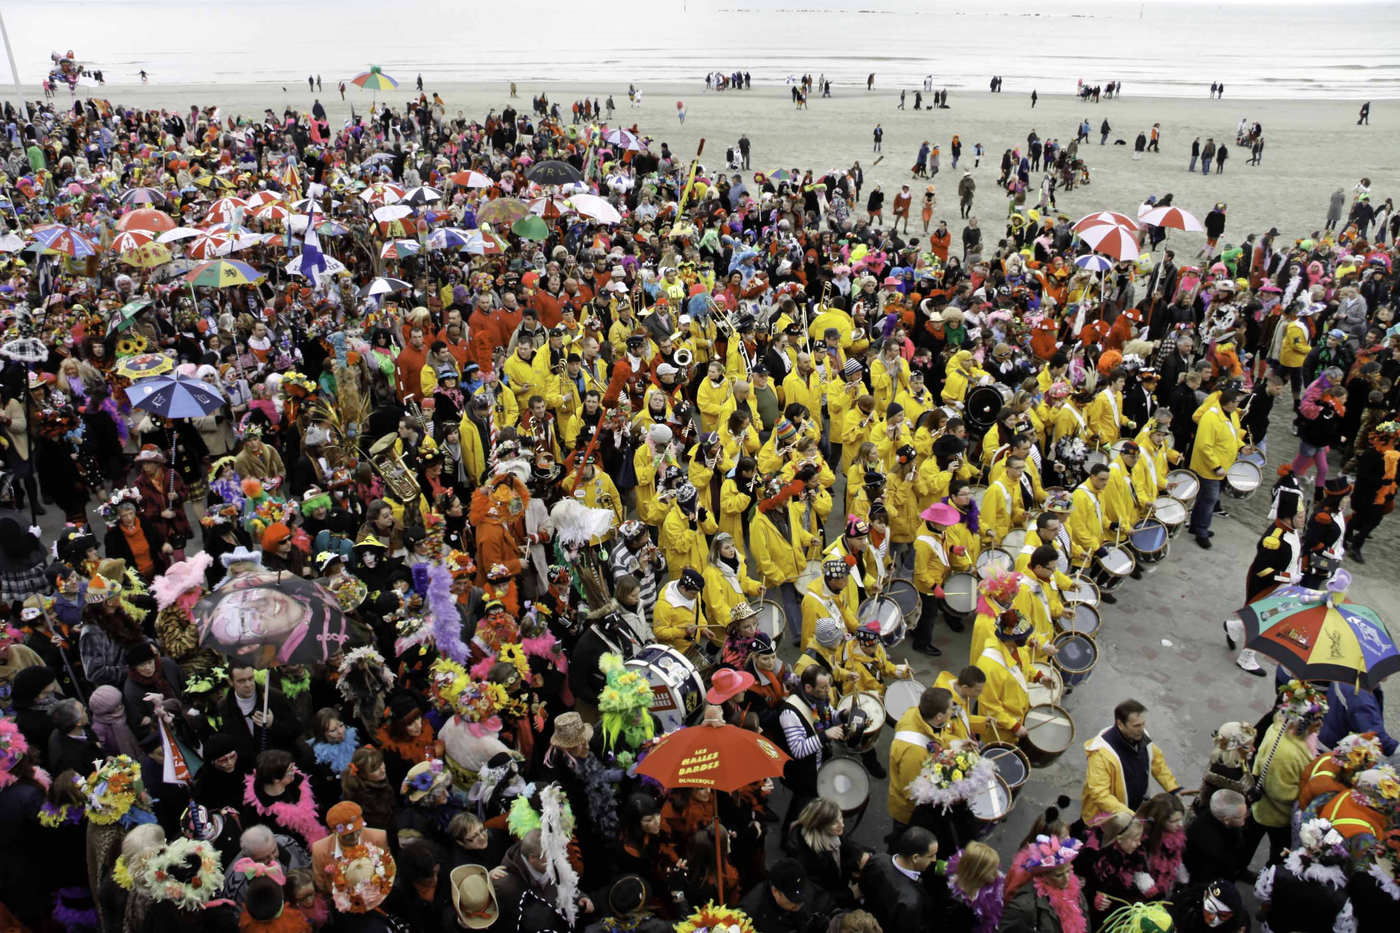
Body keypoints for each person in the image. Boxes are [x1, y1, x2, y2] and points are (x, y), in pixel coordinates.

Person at [1081, 699, 1180, 826]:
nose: (1142, 729)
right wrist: (1130, 816)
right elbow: (1100, 794)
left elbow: (1157, 763)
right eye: (1136, 726)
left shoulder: (1141, 736)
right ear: (1120, 724)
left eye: (1143, 724)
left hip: (1135, 810)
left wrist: (1173, 788)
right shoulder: (1100, 754)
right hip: (1108, 819)